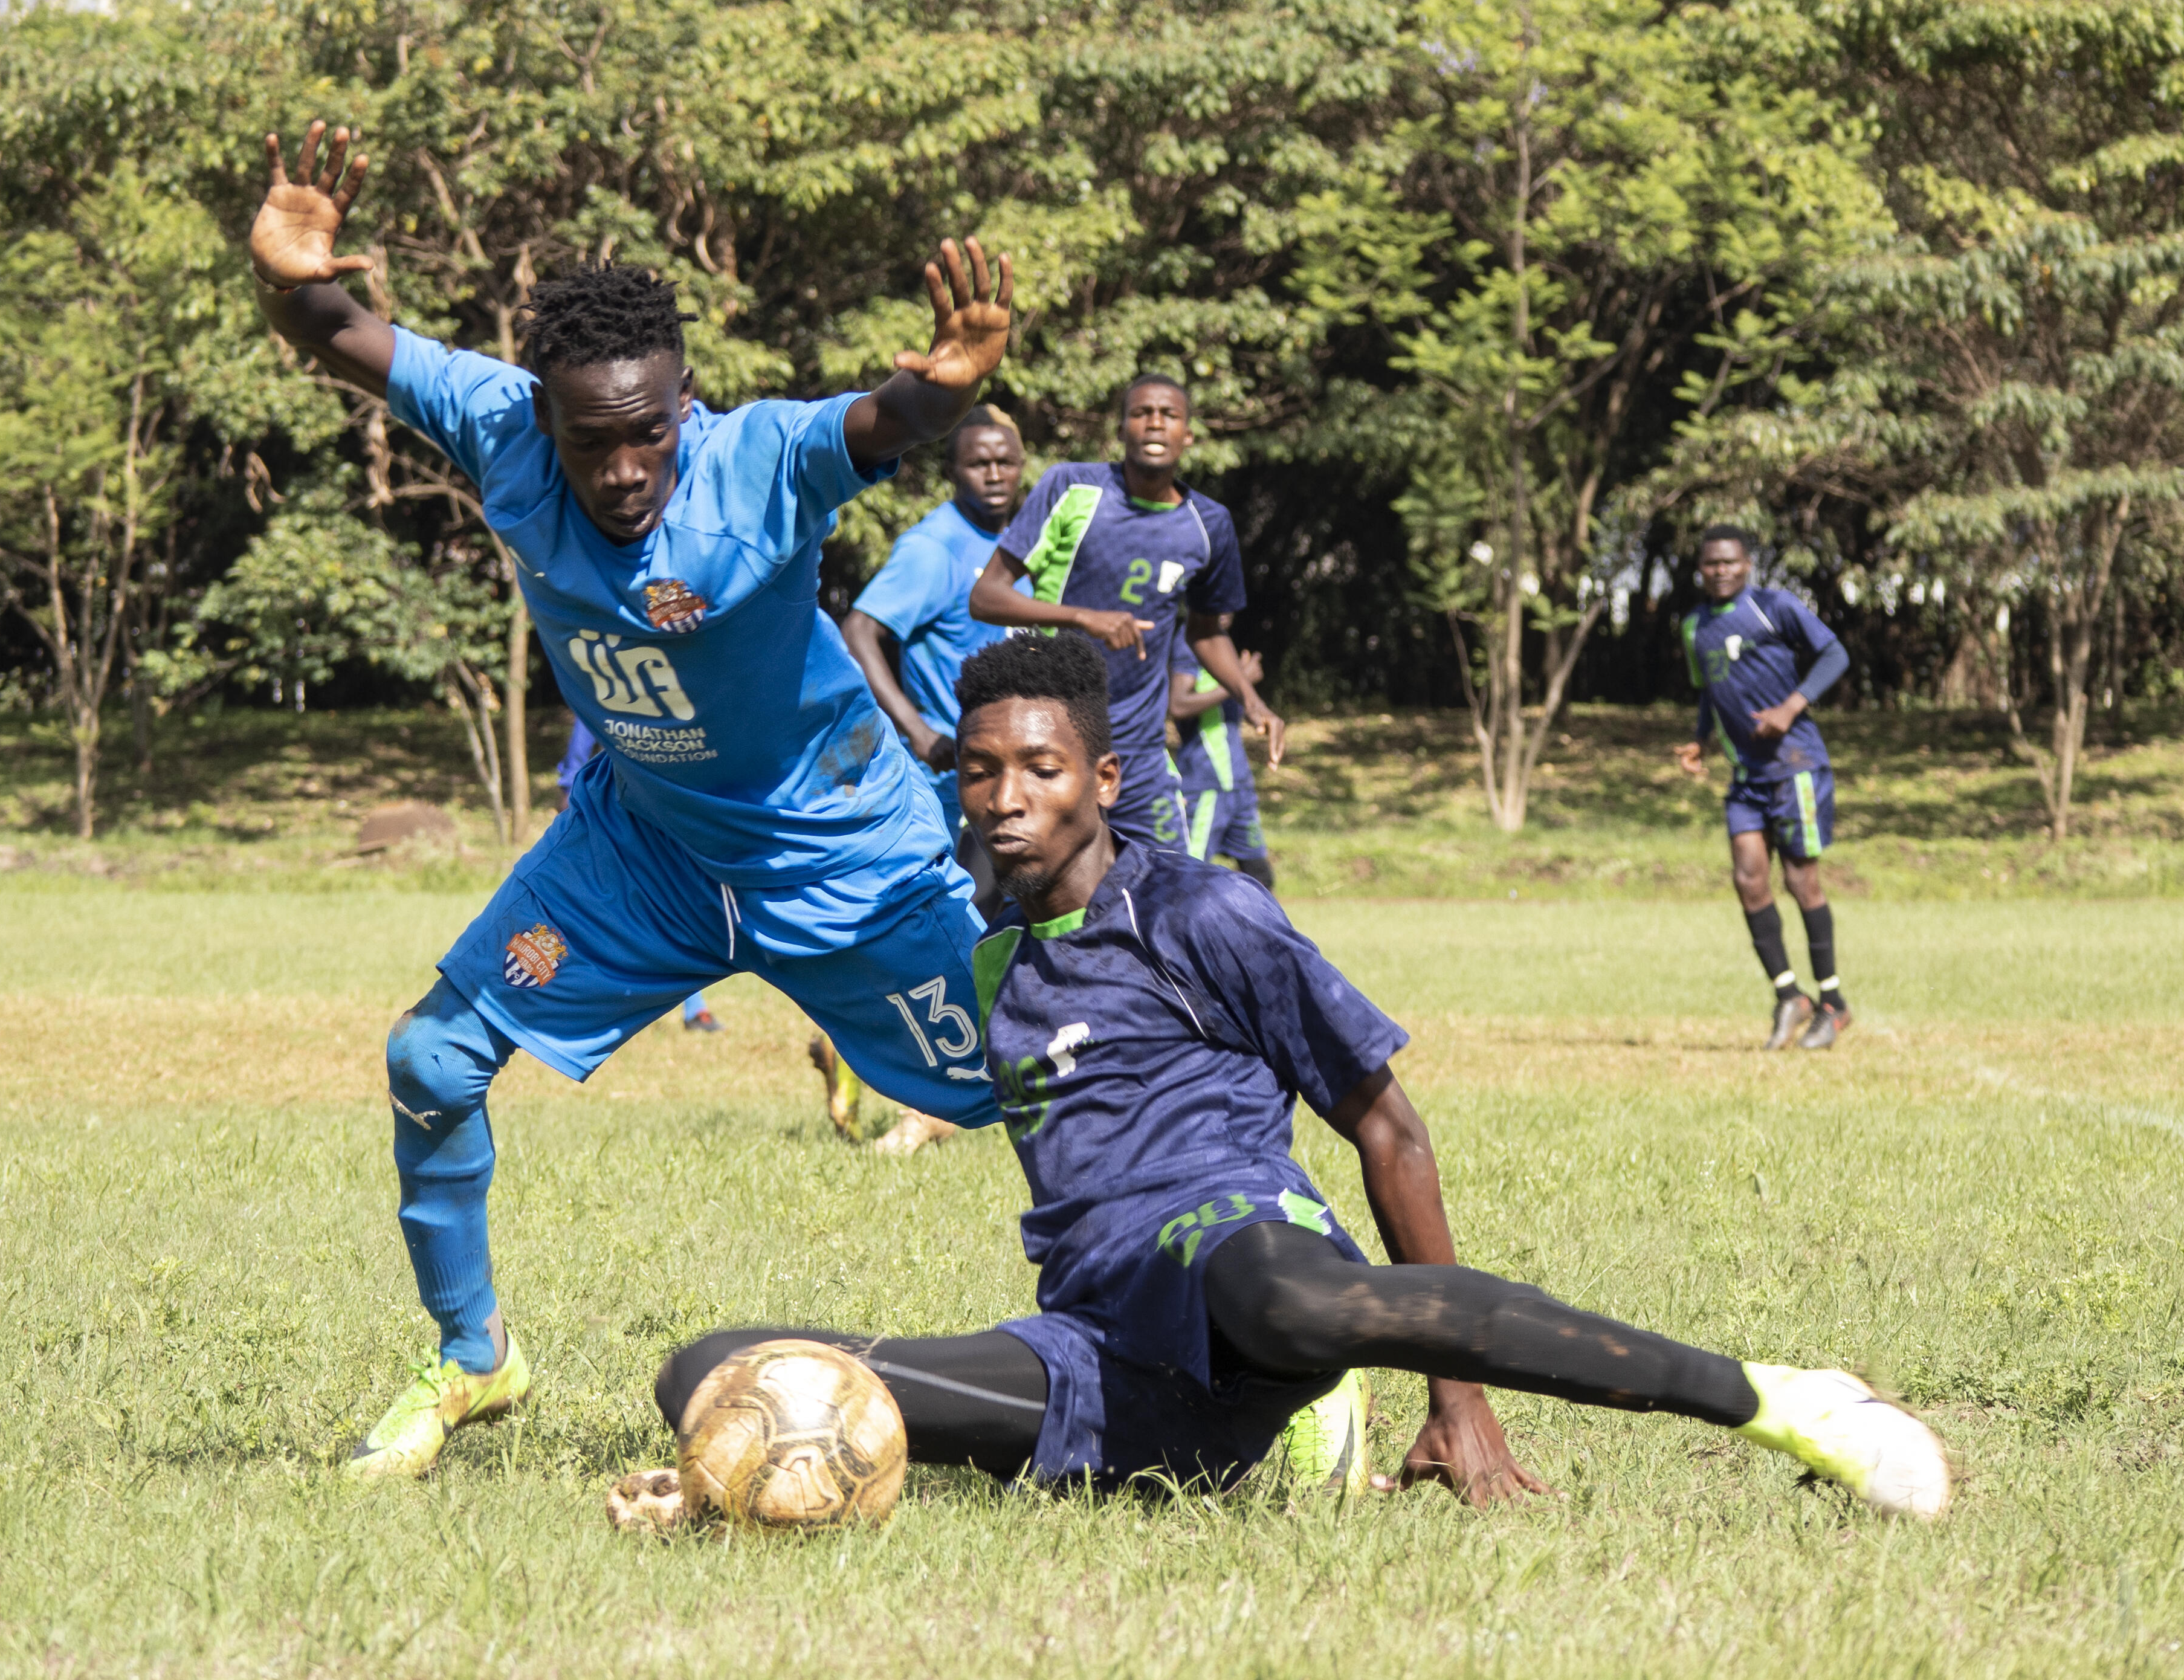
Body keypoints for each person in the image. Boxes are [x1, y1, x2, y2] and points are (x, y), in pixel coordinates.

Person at [644, 633, 1949, 1517]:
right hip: (1099, 1342)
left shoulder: (1203, 913)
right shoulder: (991, 966)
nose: (1003, 798)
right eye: (979, 771)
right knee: (717, 1369)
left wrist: (1461, 1405)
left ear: (1100, 778)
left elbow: (1387, 1125)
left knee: (1277, 1292)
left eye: (1038, 769)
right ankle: (1283, 1435)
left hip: (1239, 1250)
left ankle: (1783, 1399)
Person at [245, 123, 1017, 1483]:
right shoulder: (500, 426)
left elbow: (882, 420)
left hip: (843, 852)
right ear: (545, 415)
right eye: (592, 439)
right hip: (640, 849)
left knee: (1047, 1079)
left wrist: (944, 388)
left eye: (647, 433)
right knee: (430, 1059)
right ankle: (472, 1356)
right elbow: (340, 330)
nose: (620, 469)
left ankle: (1202, 1348)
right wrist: (285, 282)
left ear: (685, 404)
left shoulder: (760, 461)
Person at [818, 404, 1028, 1153]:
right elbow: (860, 630)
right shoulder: (936, 547)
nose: (995, 474)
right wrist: (919, 730)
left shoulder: (1025, 542)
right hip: (937, 784)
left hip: (1004, 777)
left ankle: (908, 1081)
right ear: (954, 469)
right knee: (934, 933)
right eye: (979, 462)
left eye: (1006, 460)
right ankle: (910, 1097)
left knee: (1008, 925)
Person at [968, 372, 1282, 850]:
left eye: (1169, 415)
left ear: (1188, 435)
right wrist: (1083, 617)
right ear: (1121, 431)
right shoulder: (1071, 487)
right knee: (1036, 897)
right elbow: (986, 596)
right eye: (1141, 413)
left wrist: (1250, 697)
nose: (1155, 424)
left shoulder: (1208, 524)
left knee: (1172, 892)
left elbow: (1205, 633)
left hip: (1137, 749)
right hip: (1050, 738)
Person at [1670, 526, 1854, 1051]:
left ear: (1747, 564)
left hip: (1796, 767)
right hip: (1747, 778)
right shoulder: (1694, 627)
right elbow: (1711, 690)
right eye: (1710, 564)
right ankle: (1789, 995)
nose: (1720, 570)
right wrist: (1699, 742)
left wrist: (1790, 708)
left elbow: (1835, 654)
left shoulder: (1775, 607)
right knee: (1749, 880)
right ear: (1701, 569)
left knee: (1801, 882)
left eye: (1729, 562)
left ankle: (1833, 1004)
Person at [555, 719, 717, 1034]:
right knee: (621, 906)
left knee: (671, 903)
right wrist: (570, 788)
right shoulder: (616, 688)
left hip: (670, 805)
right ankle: (580, 996)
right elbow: (583, 736)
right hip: (620, 810)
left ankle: (692, 1008)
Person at [1166, 645, 1276, 891]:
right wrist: (1238, 682)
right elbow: (1178, 705)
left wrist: (1255, 706)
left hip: (1239, 786)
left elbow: (1241, 709)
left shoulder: (1224, 645)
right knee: (1187, 880)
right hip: (1205, 787)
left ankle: (1250, 930)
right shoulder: (1188, 644)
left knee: (1261, 878)